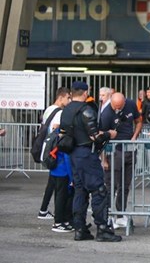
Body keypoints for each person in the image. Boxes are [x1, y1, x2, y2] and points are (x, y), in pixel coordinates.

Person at [58, 81, 121, 242]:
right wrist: (109, 134)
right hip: (86, 154)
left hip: (73, 155)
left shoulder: (66, 111)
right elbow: (95, 136)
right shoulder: (86, 110)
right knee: (99, 190)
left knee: (80, 190)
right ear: (85, 93)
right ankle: (102, 229)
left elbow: (63, 133)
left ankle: (80, 229)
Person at [100, 92, 142, 229]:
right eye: (115, 107)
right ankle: (106, 214)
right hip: (114, 151)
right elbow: (101, 138)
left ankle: (120, 213)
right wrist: (104, 160)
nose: (117, 109)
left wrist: (135, 136)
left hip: (130, 148)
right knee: (111, 185)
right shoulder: (106, 114)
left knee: (125, 184)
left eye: (120, 106)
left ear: (124, 102)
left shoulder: (130, 104)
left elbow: (139, 121)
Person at [45, 87, 74, 232]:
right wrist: (72, 176)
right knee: (61, 196)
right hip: (62, 169)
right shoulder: (65, 137)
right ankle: (58, 222)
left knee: (59, 195)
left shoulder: (57, 132)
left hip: (55, 167)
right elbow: (67, 156)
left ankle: (61, 220)